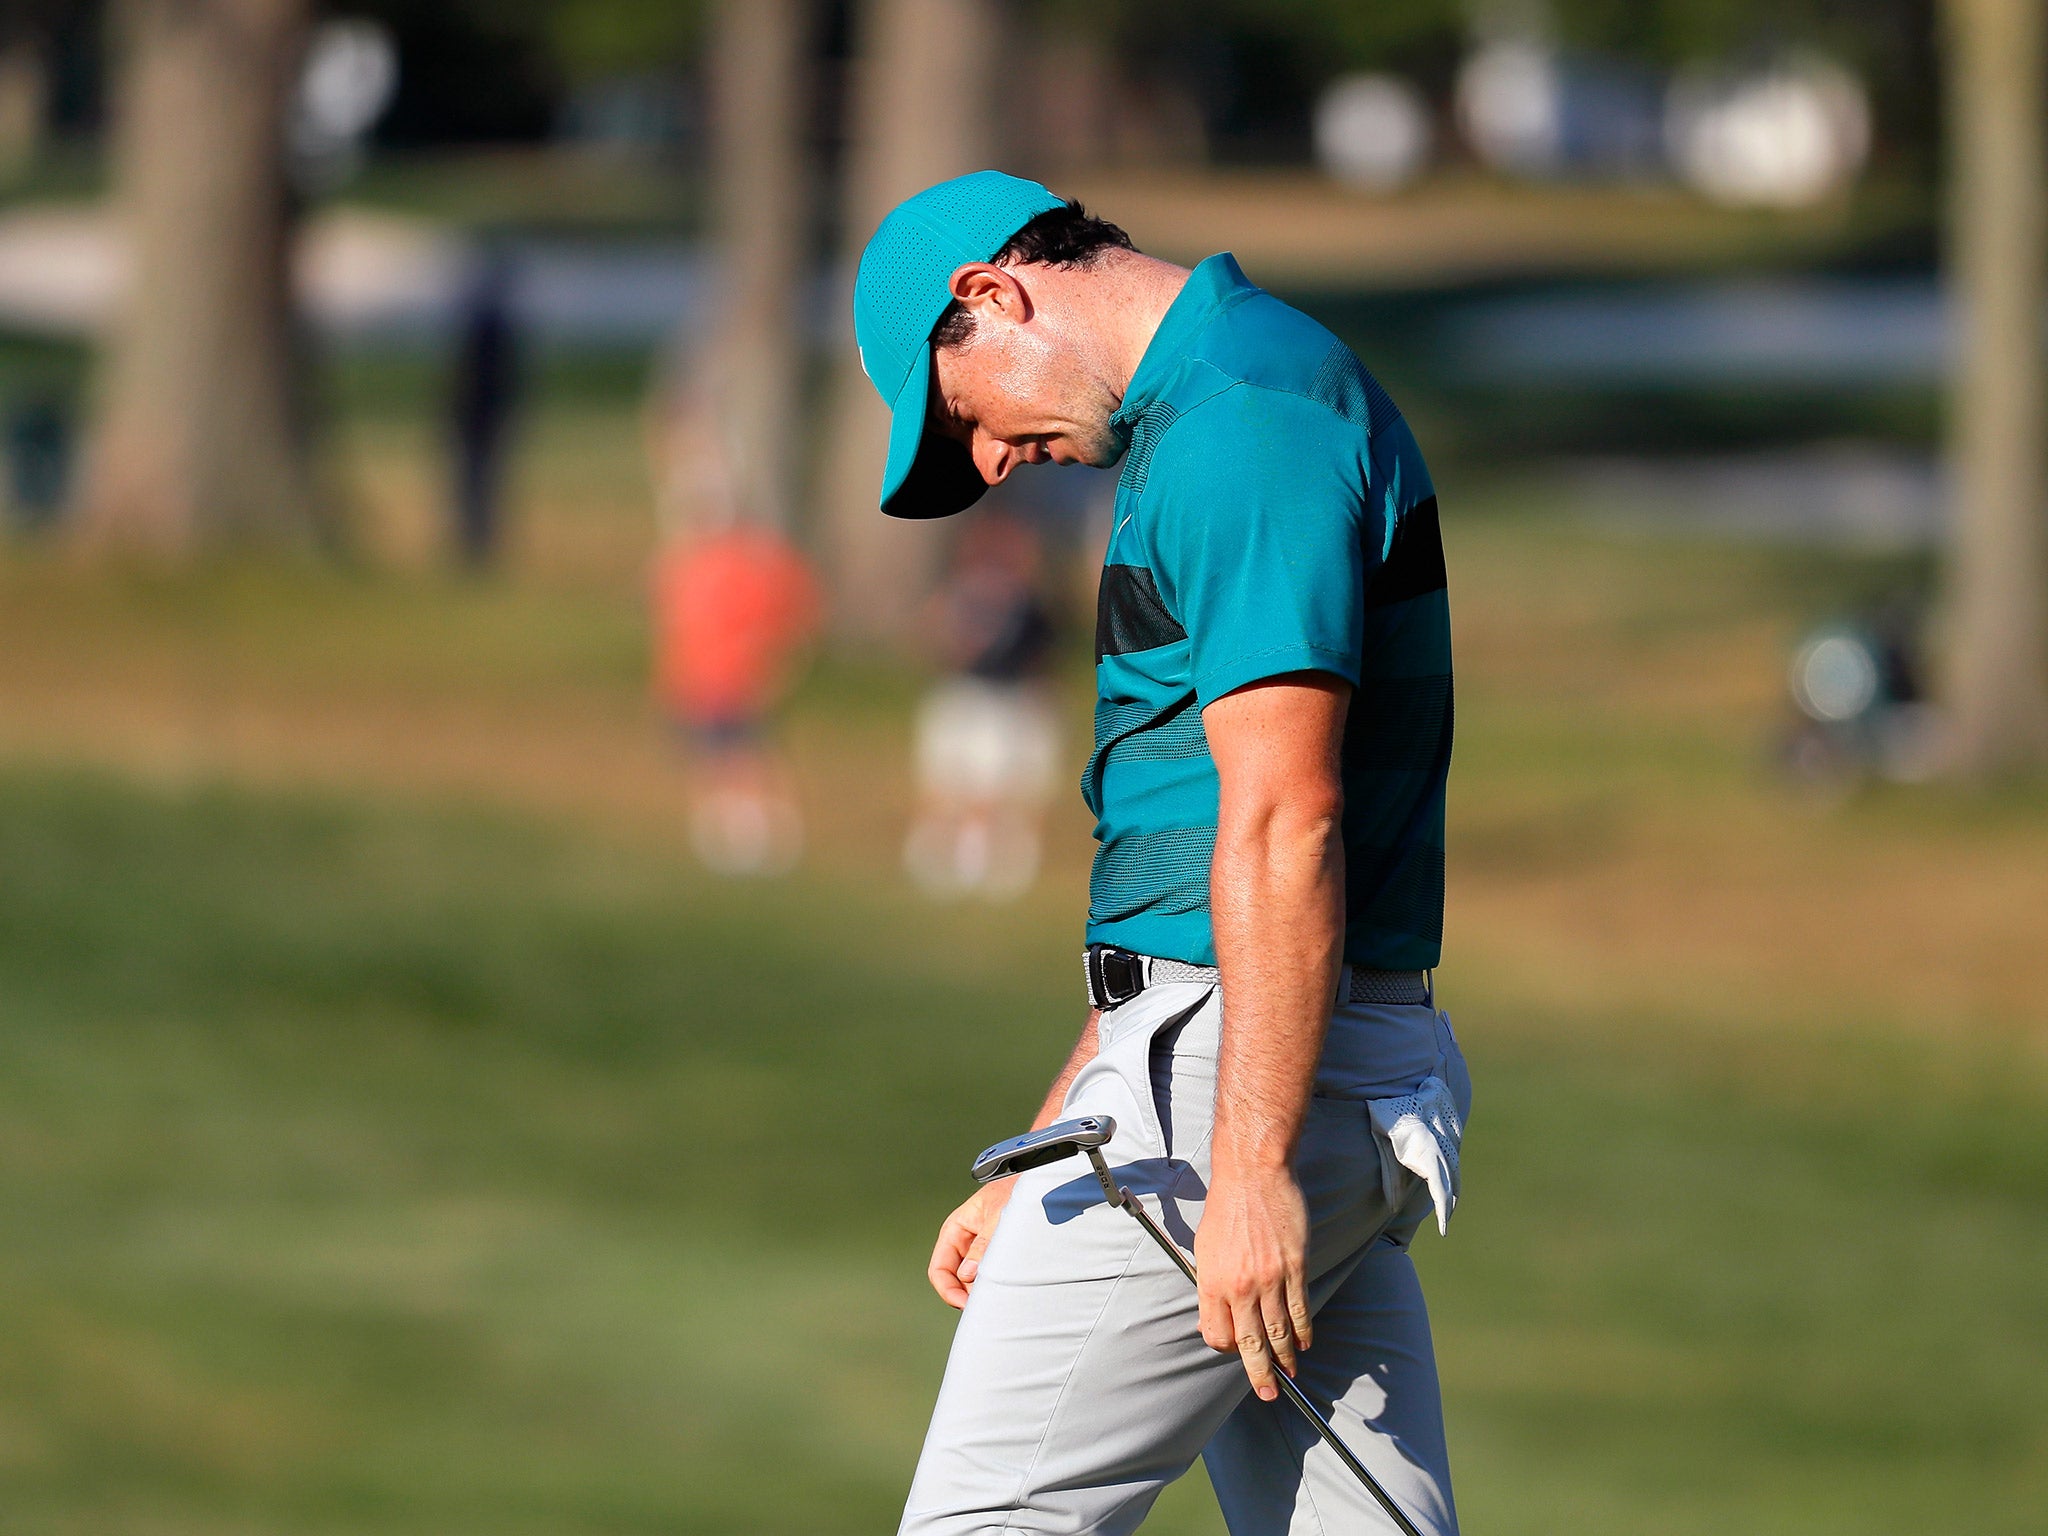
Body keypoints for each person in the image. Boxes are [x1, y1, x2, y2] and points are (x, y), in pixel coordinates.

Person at [852, 171, 1468, 1534]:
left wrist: (1245, 1167)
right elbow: (1186, 845)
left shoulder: (1244, 425)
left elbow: (1283, 814)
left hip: (1245, 1086)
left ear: (993, 296)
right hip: (1269, 1061)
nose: (997, 463)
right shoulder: (1219, 408)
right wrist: (1060, 1129)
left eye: (966, 420)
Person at [904, 507, 1062, 900]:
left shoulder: (1031, 606)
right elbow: (933, 637)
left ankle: (987, 866)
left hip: (1004, 699)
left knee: (992, 789)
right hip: (962, 693)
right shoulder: (962, 594)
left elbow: (1042, 660)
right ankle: (938, 860)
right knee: (947, 782)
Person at [651, 515, 820, 875]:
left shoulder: (756, 569)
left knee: (748, 762)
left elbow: (789, 620)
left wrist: (774, 665)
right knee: (710, 763)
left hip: (739, 684)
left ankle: (763, 838)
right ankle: (718, 841)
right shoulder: (688, 567)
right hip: (697, 685)